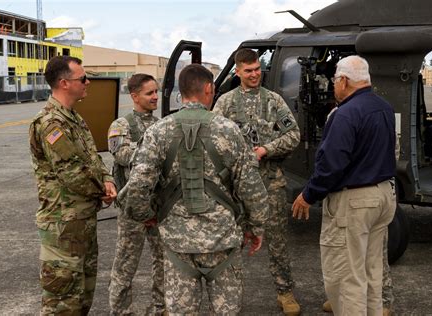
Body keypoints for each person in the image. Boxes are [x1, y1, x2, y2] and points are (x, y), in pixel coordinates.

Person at [123, 64, 269, 314]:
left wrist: (147, 216)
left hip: (178, 245)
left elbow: (136, 186)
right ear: (209, 89)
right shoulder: (228, 129)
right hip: (222, 242)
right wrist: (255, 227)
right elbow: (251, 187)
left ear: (182, 92)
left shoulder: (159, 130)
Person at [292, 55, 396, 315]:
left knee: (347, 277)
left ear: (344, 81)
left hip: (355, 202)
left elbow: (331, 165)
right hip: (384, 195)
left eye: (336, 80)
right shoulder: (383, 107)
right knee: (372, 271)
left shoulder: (345, 114)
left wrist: (308, 194)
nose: (334, 86)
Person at [213, 48, 301, 315]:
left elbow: (294, 135)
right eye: (248, 71)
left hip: (270, 183)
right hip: (236, 188)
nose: (254, 75)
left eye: (257, 70)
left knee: (277, 242)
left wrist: (266, 150)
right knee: (232, 241)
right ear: (237, 72)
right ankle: (228, 294)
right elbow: (213, 140)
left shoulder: (274, 101)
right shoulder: (225, 103)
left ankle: (285, 292)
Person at [29, 55, 117, 315]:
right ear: (64, 83)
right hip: (62, 228)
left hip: (83, 223)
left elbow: (94, 158)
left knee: (81, 299)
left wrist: (108, 179)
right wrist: (103, 191)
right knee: (62, 304)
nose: (88, 82)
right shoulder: (50, 124)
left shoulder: (75, 119)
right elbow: (71, 174)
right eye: (83, 78)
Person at [107, 74, 165, 315]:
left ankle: (161, 308)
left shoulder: (161, 124)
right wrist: (155, 152)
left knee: (163, 261)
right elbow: (124, 155)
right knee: (126, 265)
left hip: (159, 206)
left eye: (156, 92)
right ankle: (121, 311)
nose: (155, 97)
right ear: (134, 96)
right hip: (132, 209)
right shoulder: (121, 125)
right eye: (149, 93)